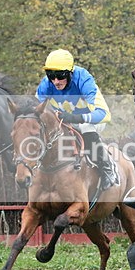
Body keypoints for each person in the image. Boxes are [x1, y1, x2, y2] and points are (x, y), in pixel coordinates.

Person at [36, 48, 118, 189]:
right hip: (64, 122)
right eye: (51, 75)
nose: (55, 81)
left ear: (70, 72)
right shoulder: (46, 84)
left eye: (60, 75)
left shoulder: (84, 80)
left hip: (91, 121)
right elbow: (34, 111)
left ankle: (106, 168)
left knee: (85, 126)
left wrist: (77, 118)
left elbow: (104, 115)